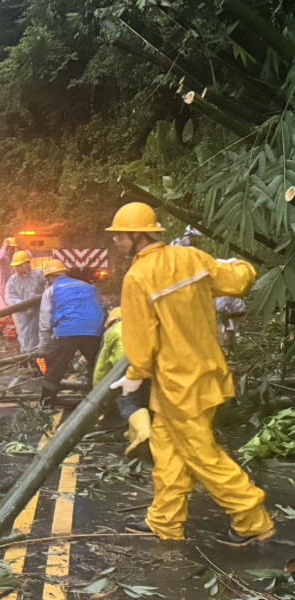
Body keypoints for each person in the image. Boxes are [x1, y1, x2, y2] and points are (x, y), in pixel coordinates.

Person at [107, 202, 274, 546]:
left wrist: (136, 374)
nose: (116, 242)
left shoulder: (138, 277)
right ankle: (164, 521)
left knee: (200, 454)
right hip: (206, 373)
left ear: (137, 235)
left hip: (176, 383)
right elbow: (240, 279)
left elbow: (140, 338)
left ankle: (251, 519)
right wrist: (238, 264)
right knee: (167, 448)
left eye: (120, 236)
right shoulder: (192, 259)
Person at [37, 259, 104, 409]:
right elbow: (100, 306)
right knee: (96, 364)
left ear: (50, 277)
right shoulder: (89, 286)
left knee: (54, 367)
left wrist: (44, 346)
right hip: (94, 329)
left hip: (68, 330)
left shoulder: (51, 290)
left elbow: (45, 321)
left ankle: (47, 401)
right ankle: (98, 398)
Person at [92, 307, 151, 456]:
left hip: (127, 372)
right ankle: (132, 433)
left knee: (127, 401)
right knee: (142, 399)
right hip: (151, 370)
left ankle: (144, 434)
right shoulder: (145, 326)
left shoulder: (112, 332)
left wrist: (98, 392)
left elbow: (102, 367)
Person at [4, 250, 45, 355]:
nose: (17, 269)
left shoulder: (39, 275)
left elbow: (48, 290)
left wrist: (40, 301)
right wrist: (21, 304)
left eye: (19, 266)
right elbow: (9, 297)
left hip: (40, 313)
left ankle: (41, 359)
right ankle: (27, 358)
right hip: (23, 316)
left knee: (42, 336)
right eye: (15, 266)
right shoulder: (13, 280)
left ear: (26, 264)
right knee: (25, 338)